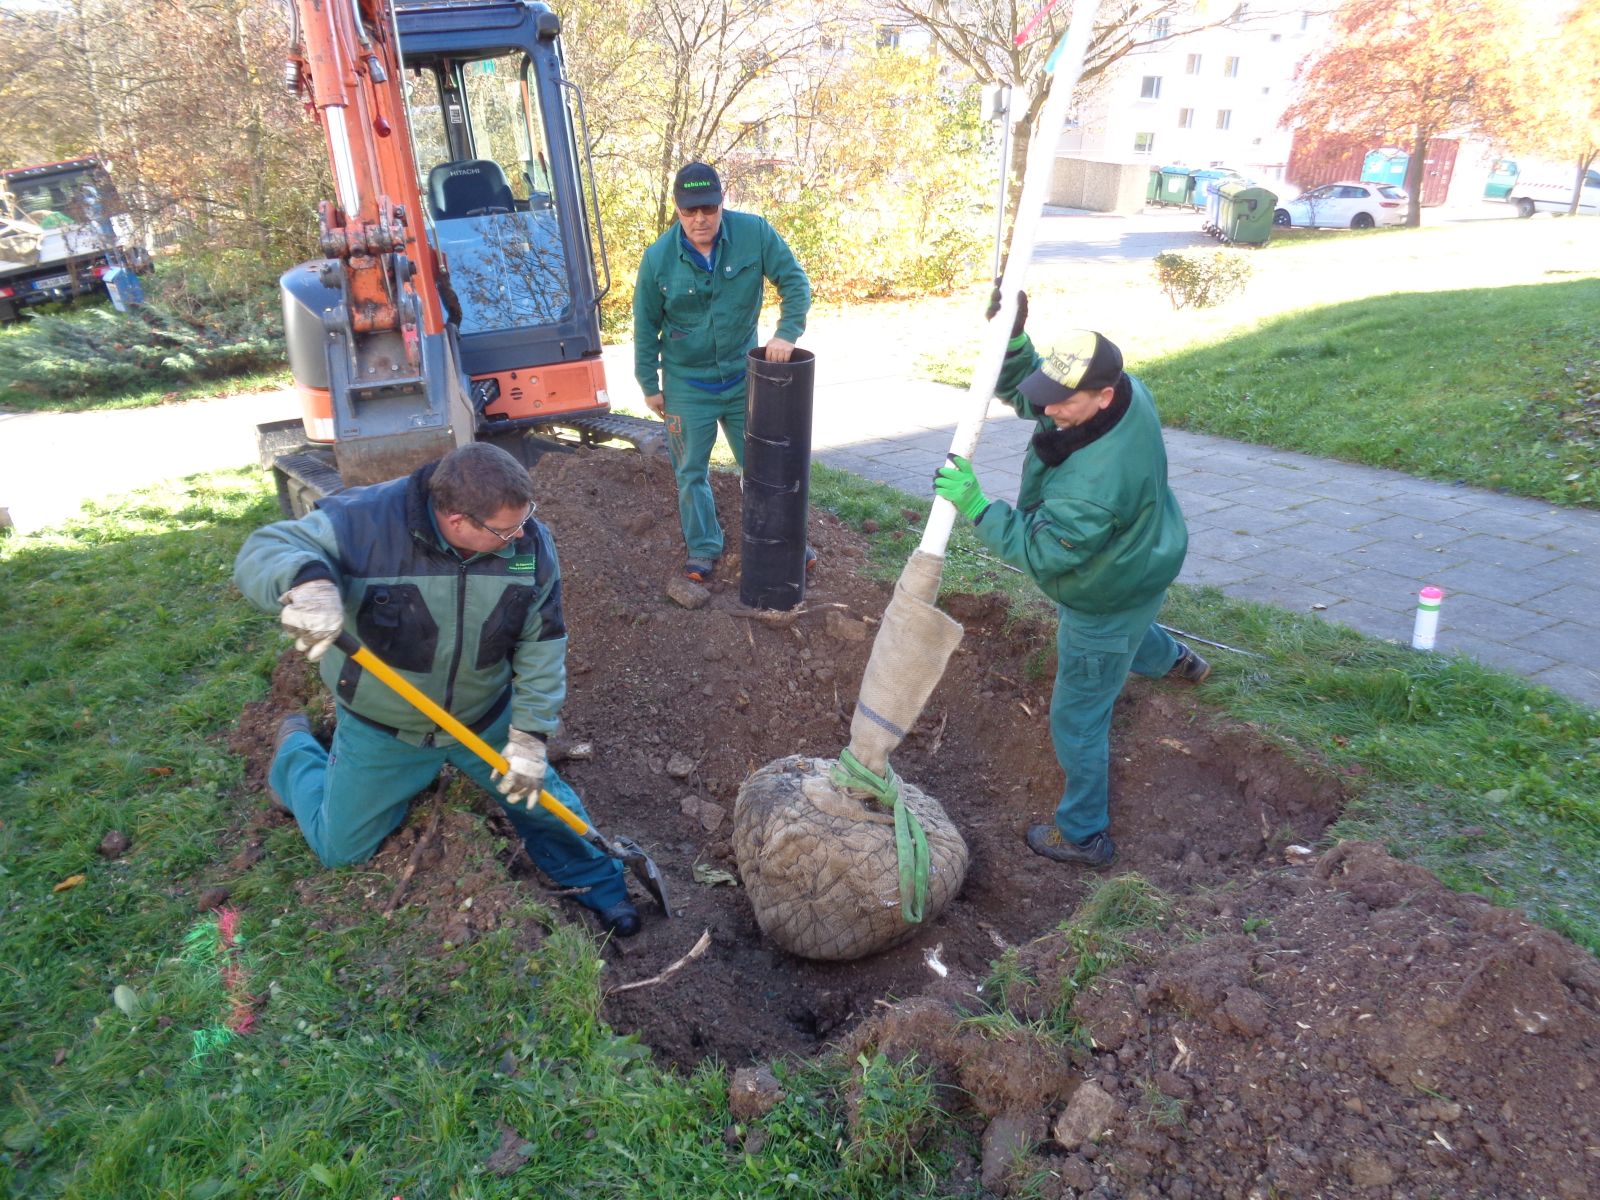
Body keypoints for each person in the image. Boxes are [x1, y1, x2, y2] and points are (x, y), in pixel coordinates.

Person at [232, 442, 639, 935]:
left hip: (483, 719)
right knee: (339, 847)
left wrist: (530, 736)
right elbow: (266, 548)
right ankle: (296, 751)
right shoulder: (362, 523)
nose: (521, 535)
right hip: (386, 728)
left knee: (546, 804)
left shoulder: (529, 548)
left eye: (524, 519)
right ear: (455, 518)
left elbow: (542, 645)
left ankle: (602, 882)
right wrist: (307, 582)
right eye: (504, 530)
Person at [933, 295, 1210, 868]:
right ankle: (1178, 662)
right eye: (1050, 397)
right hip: (1146, 558)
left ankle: (1084, 834)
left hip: (1103, 589)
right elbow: (1037, 395)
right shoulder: (1126, 394)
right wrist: (1013, 340)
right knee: (1130, 625)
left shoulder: (1092, 485)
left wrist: (980, 507)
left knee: (1078, 716)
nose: (1050, 411)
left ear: (1102, 395)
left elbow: (1040, 553)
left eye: (1064, 403)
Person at [633, 162, 812, 582]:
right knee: (691, 471)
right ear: (677, 210)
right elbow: (645, 326)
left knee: (766, 467)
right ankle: (703, 548)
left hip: (745, 380)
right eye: (690, 211)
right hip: (686, 384)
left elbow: (795, 283)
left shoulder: (755, 234)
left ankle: (788, 543)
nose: (700, 219)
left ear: (722, 204)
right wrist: (649, 384)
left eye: (708, 209)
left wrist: (786, 333)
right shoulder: (658, 258)